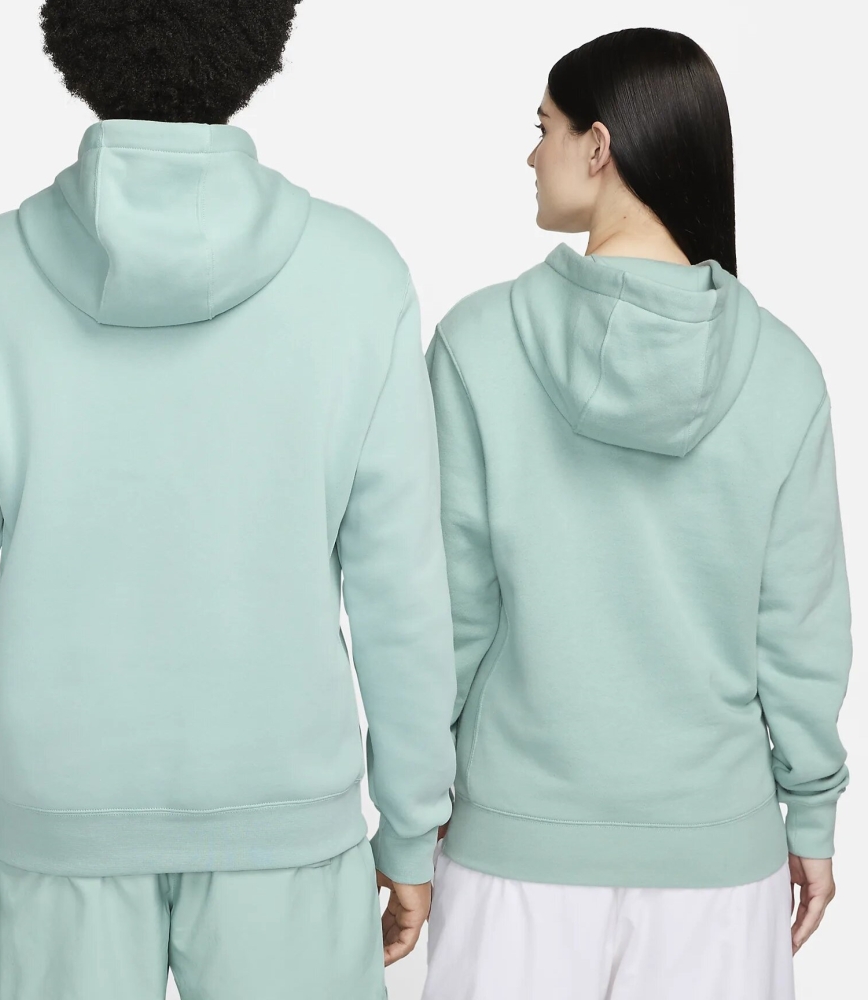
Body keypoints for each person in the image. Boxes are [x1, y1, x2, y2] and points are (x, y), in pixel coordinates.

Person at [0, 2, 457, 997]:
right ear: (258, 37)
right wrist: (411, 830)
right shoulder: (360, 279)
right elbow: (401, 590)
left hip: (60, 832)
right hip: (288, 830)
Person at [422, 27, 851, 1000]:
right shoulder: (783, 371)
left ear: (599, 146)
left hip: (514, 853)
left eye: (543, 128)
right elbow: (798, 631)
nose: (530, 155)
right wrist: (812, 816)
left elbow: (445, 619)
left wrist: (410, 817)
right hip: (718, 861)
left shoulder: (476, 345)